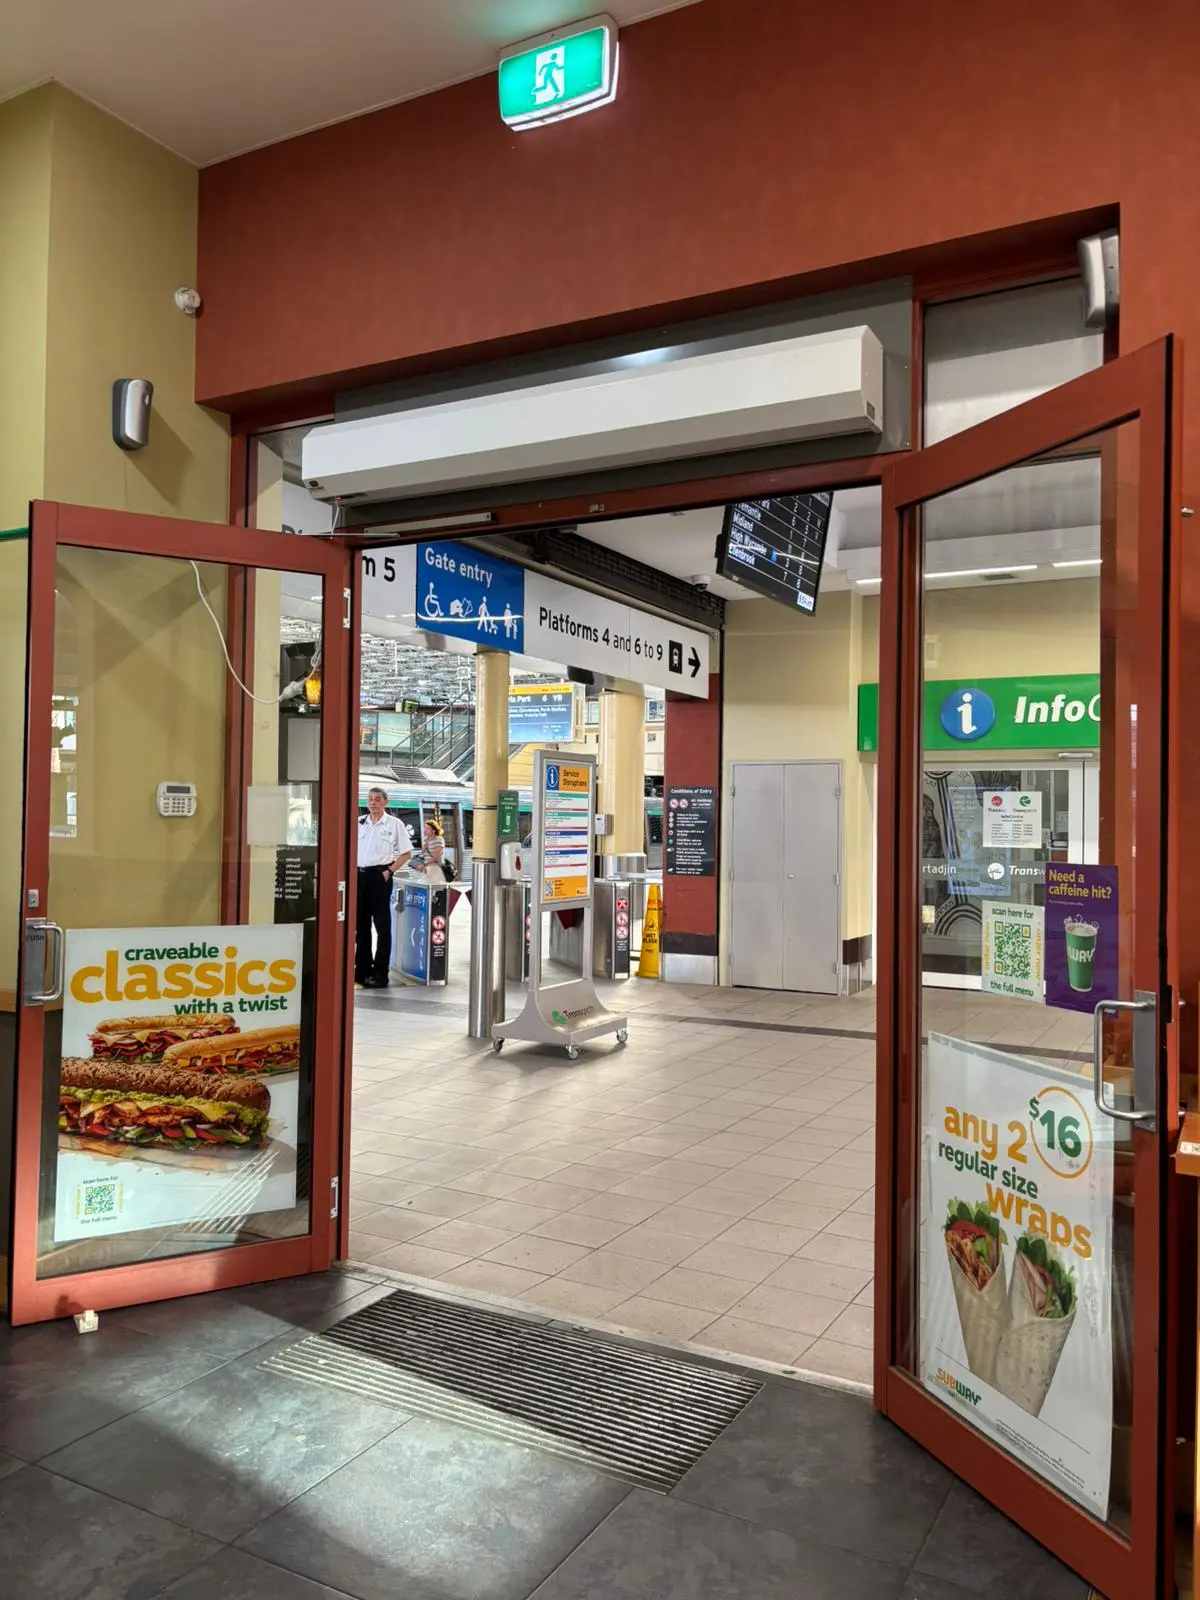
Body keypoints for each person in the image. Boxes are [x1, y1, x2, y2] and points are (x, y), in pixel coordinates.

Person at [356, 787, 411, 987]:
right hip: (359, 876)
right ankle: (361, 969)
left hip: (380, 876)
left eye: (377, 799)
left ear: (385, 802)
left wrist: (389, 871)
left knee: (382, 926)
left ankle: (380, 973)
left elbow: (406, 853)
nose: (373, 803)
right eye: (370, 799)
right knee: (360, 926)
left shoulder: (395, 824)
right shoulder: (360, 823)